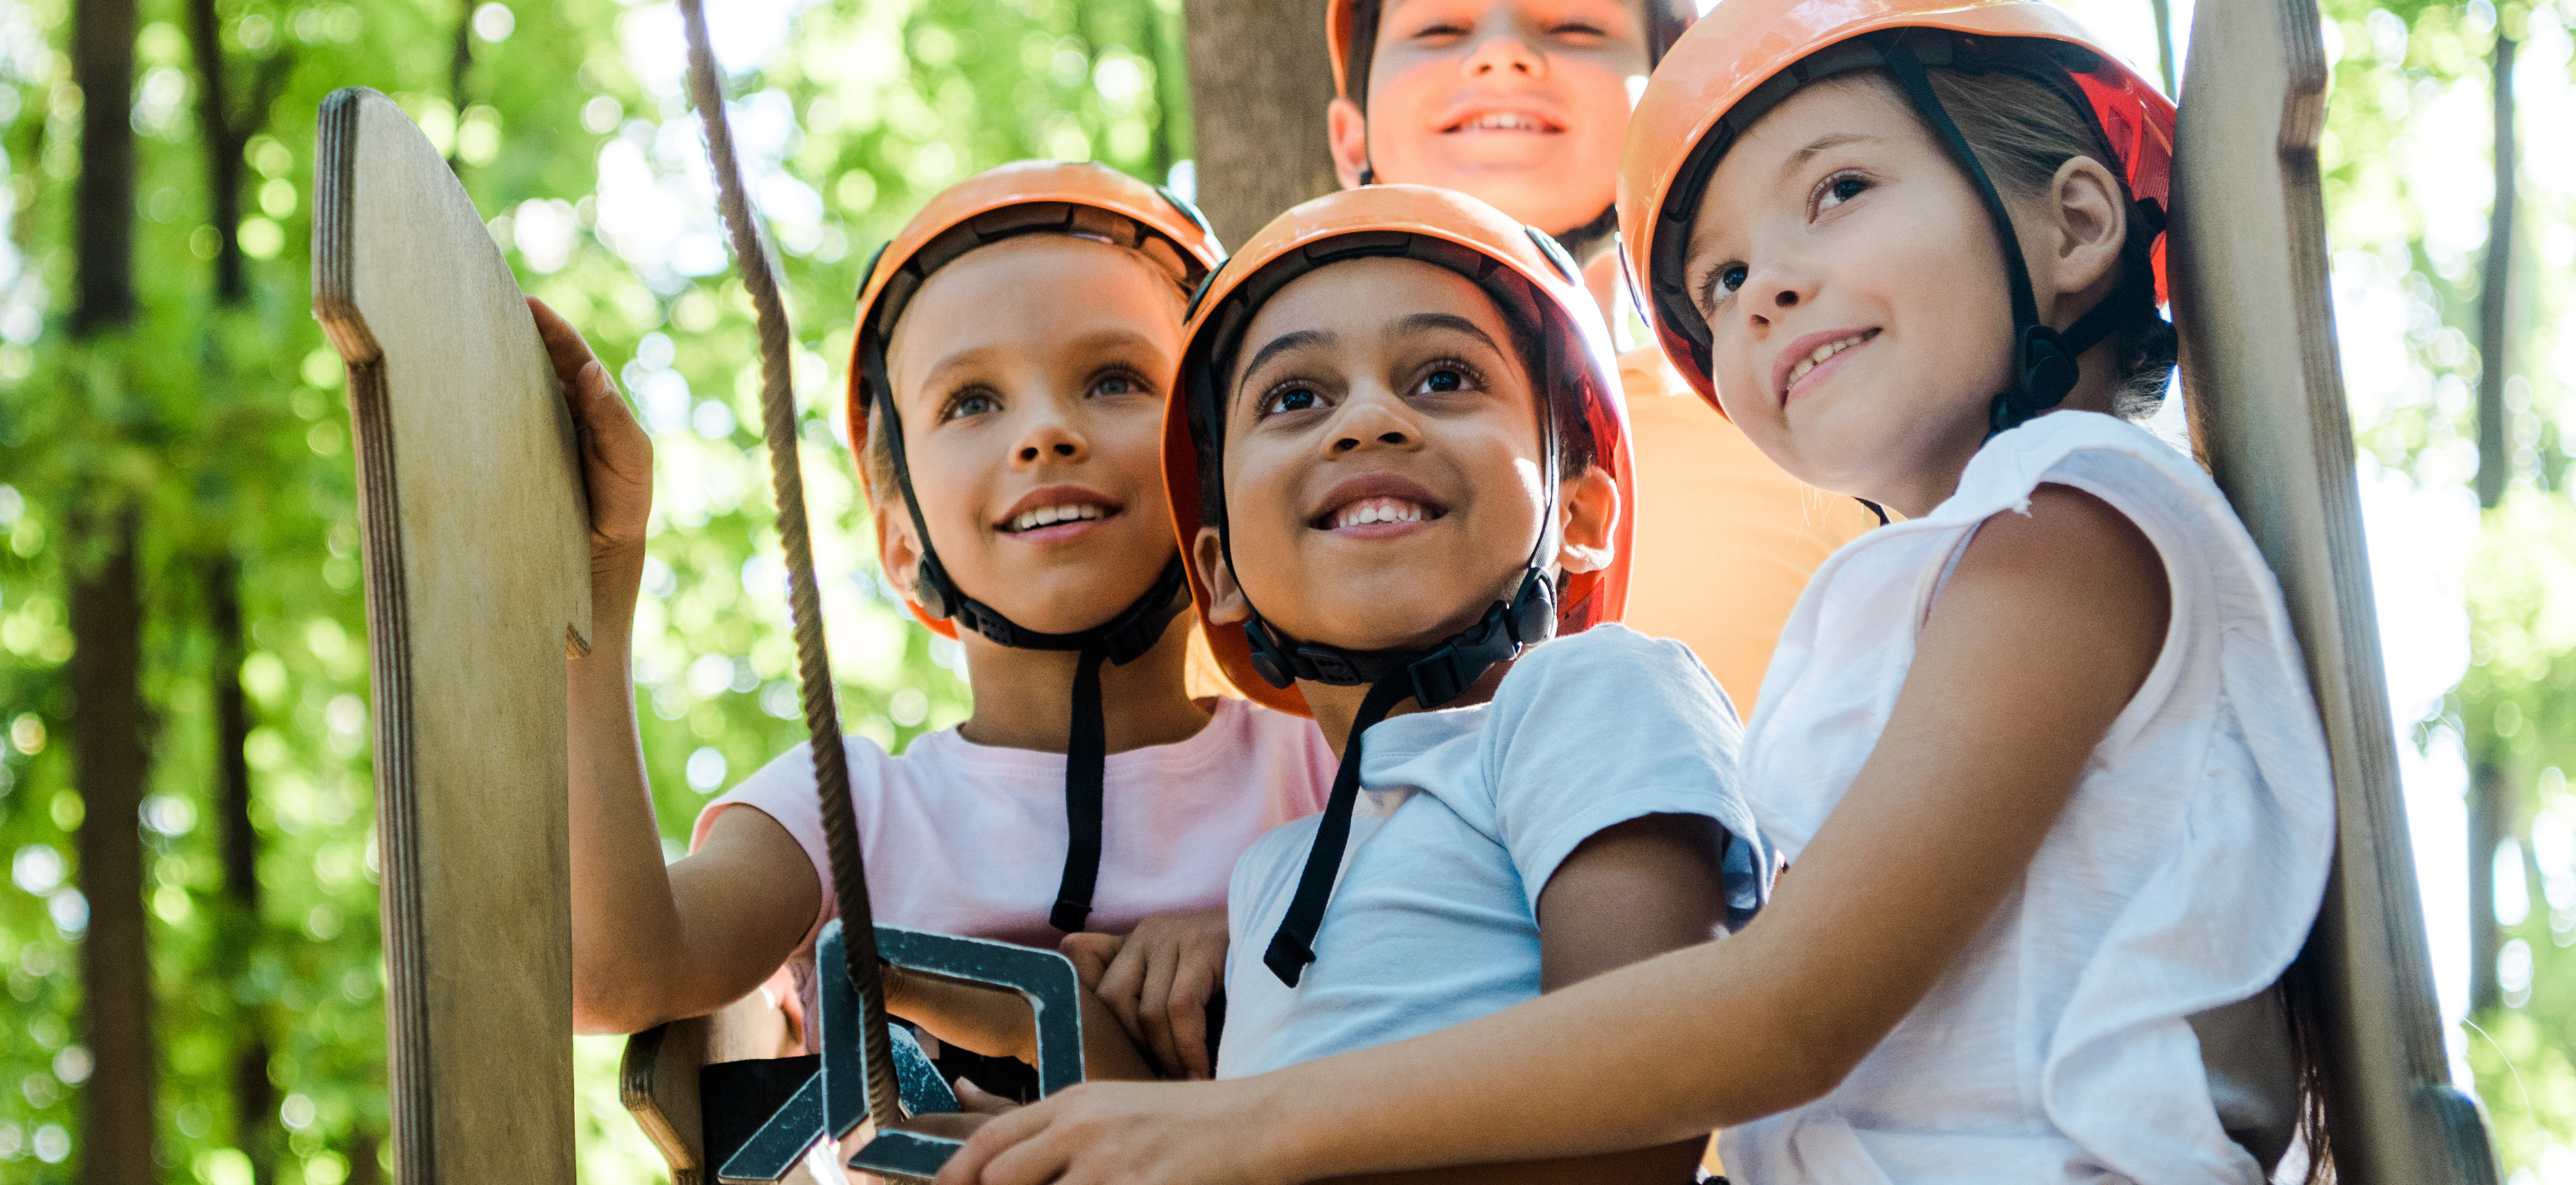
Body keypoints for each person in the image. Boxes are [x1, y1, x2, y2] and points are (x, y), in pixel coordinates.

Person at [929, 1, 2337, 1181]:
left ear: (2076, 221)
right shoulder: (1933, 588)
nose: (1764, 291)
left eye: (1835, 191)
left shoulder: (2065, 534)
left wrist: (1238, 1133)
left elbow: (1782, 1013)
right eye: (1718, 279)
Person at [550, 160, 1335, 1095]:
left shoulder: (1331, 766)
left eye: (1116, 379)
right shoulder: (847, 815)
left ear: (1219, 470)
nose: (1044, 433)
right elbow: (616, 972)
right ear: (899, 535)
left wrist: (1266, 920)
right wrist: (602, 584)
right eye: (971, 401)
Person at [1321, 0, 1879, 712]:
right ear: (1350, 137)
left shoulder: (1801, 434)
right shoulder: (1273, 482)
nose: (1502, 57)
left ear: (1679, 114)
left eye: (1575, 27)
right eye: (1439, 29)